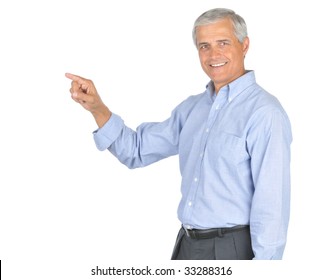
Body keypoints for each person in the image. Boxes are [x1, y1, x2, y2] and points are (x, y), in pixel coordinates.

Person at [66, 8, 292, 260]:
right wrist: (98, 108)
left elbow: (272, 206)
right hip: (186, 245)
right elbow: (136, 150)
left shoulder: (265, 113)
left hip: (233, 250)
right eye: (204, 46)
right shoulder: (193, 109)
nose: (213, 54)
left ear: (245, 45)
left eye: (223, 43)